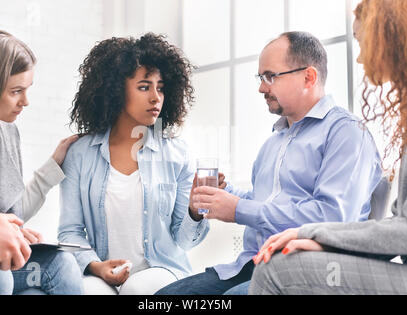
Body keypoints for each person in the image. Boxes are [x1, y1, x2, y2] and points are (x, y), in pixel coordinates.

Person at [156, 31, 383, 295]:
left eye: (270, 76)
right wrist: (222, 195)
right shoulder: (273, 143)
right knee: (164, 298)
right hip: (255, 262)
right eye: (261, 78)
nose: (262, 87)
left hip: (313, 269)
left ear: (308, 77)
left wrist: (239, 209)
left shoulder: (347, 133)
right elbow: (266, 201)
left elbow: (331, 218)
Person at [249, 0, 407, 295]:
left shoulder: (345, 131)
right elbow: (401, 227)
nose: (360, 59)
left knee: (273, 272)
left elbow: (405, 233)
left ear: (390, 40)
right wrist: (324, 242)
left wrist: (314, 234)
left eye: (364, 44)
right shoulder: (272, 143)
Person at [58, 33, 219, 295]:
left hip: (161, 269)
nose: (156, 97)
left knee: (136, 288)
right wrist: (96, 266)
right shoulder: (80, 154)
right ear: (116, 90)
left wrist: (194, 211)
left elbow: (185, 241)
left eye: (161, 87)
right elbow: (69, 232)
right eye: (144, 87)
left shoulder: (177, 155)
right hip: (101, 273)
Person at [0, 30, 82, 295]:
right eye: (16, 91)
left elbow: (11, 213)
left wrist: (15, 232)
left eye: (27, 90)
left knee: (62, 265)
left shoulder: (8, 133)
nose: (25, 102)